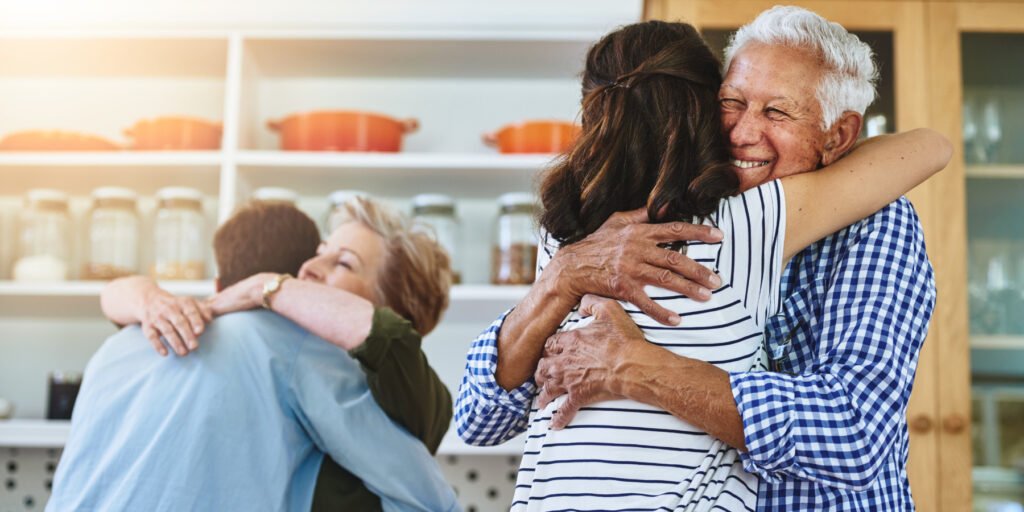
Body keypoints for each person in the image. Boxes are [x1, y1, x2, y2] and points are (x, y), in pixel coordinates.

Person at [455, 12, 949, 512]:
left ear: (839, 136)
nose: (740, 132)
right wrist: (560, 279)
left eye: (776, 113)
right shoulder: (603, 241)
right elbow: (480, 418)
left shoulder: (873, 223)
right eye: (730, 103)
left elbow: (853, 434)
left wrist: (636, 366)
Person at [49, 200, 459, 512]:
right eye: (318, 251)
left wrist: (262, 287)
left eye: (343, 263)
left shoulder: (117, 348)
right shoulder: (285, 348)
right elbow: (433, 501)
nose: (310, 268)